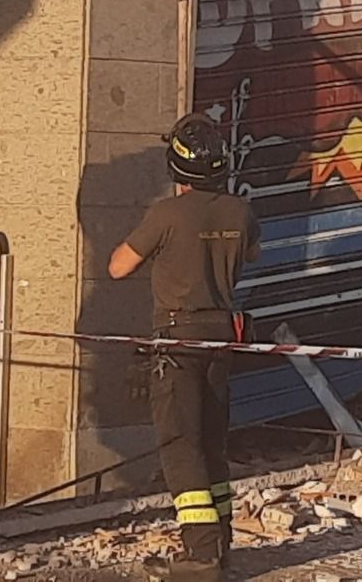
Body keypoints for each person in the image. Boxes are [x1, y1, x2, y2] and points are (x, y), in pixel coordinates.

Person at [109, 114, 261, 581]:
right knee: (213, 443)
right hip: (222, 338)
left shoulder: (166, 214)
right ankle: (222, 546)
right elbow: (250, 254)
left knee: (181, 446)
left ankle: (199, 555)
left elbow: (117, 267)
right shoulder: (241, 211)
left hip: (178, 341)